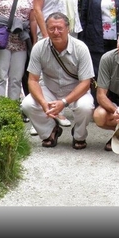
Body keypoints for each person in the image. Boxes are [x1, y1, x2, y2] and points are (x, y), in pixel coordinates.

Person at [21, 12, 95, 149]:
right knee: (27, 104)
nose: (56, 32)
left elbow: (85, 82)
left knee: (85, 107)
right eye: (51, 29)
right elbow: (32, 80)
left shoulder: (81, 48)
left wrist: (64, 102)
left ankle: (79, 135)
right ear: (46, 29)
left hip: (75, 90)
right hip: (49, 88)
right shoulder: (39, 47)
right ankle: (50, 131)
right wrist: (43, 103)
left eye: (60, 28)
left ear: (68, 29)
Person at [19, 0, 50, 99]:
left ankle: (49, 101)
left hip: (46, 25)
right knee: (28, 65)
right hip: (24, 26)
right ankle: (31, 100)